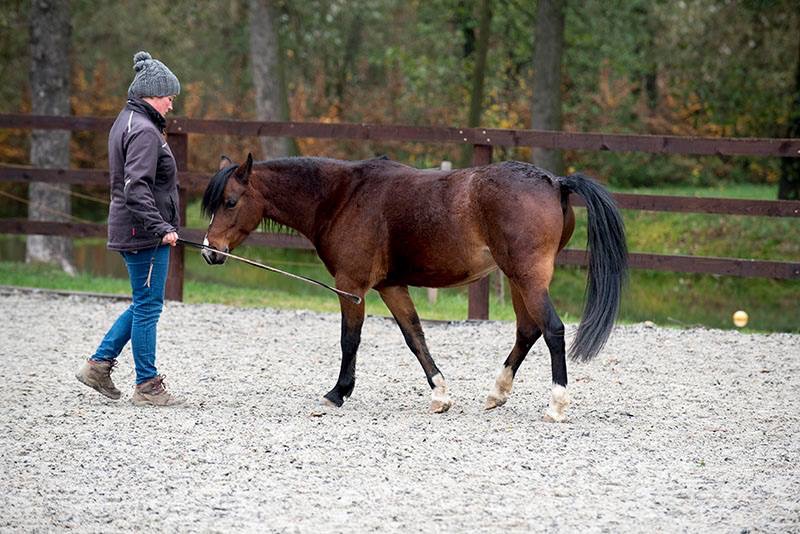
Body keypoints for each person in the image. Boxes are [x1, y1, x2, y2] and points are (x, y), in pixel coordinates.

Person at [75, 51, 184, 406]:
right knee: (149, 306)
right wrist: (161, 227)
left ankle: (98, 365)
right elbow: (135, 188)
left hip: (135, 230)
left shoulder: (129, 121)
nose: (171, 103)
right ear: (153, 94)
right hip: (143, 234)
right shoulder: (144, 131)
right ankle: (147, 386)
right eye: (169, 96)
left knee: (143, 302)